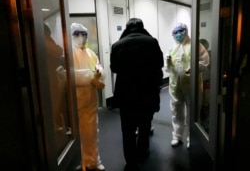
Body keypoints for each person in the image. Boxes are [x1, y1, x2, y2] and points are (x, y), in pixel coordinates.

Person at [110, 18, 164, 171]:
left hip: (126, 95)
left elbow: (114, 68)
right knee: (145, 124)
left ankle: (131, 161)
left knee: (127, 129)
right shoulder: (152, 42)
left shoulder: (117, 45)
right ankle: (142, 151)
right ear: (142, 27)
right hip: (147, 92)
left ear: (126, 28)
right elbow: (159, 64)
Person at [165, 23, 210, 148]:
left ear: (186, 31)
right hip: (175, 86)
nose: (178, 34)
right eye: (176, 32)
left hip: (192, 85)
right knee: (176, 111)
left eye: (181, 31)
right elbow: (167, 69)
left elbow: (205, 62)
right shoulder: (172, 47)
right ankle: (177, 136)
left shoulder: (196, 46)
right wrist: (168, 64)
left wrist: (194, 67)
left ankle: (192, 137)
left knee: (192, 112)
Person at [70, 23, 105, 171]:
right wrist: (90, 77)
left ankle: (93, 160)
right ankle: (83, 161)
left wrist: (99, 73)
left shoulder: (91, 53)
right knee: (78, 135)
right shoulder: (69, 53)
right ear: (72, 36)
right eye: (77, 34)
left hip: (90, 98)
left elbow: (98, 68)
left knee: (92, 131)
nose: (82, 37)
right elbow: (67, 74)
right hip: (76, 99)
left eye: (84, 34)